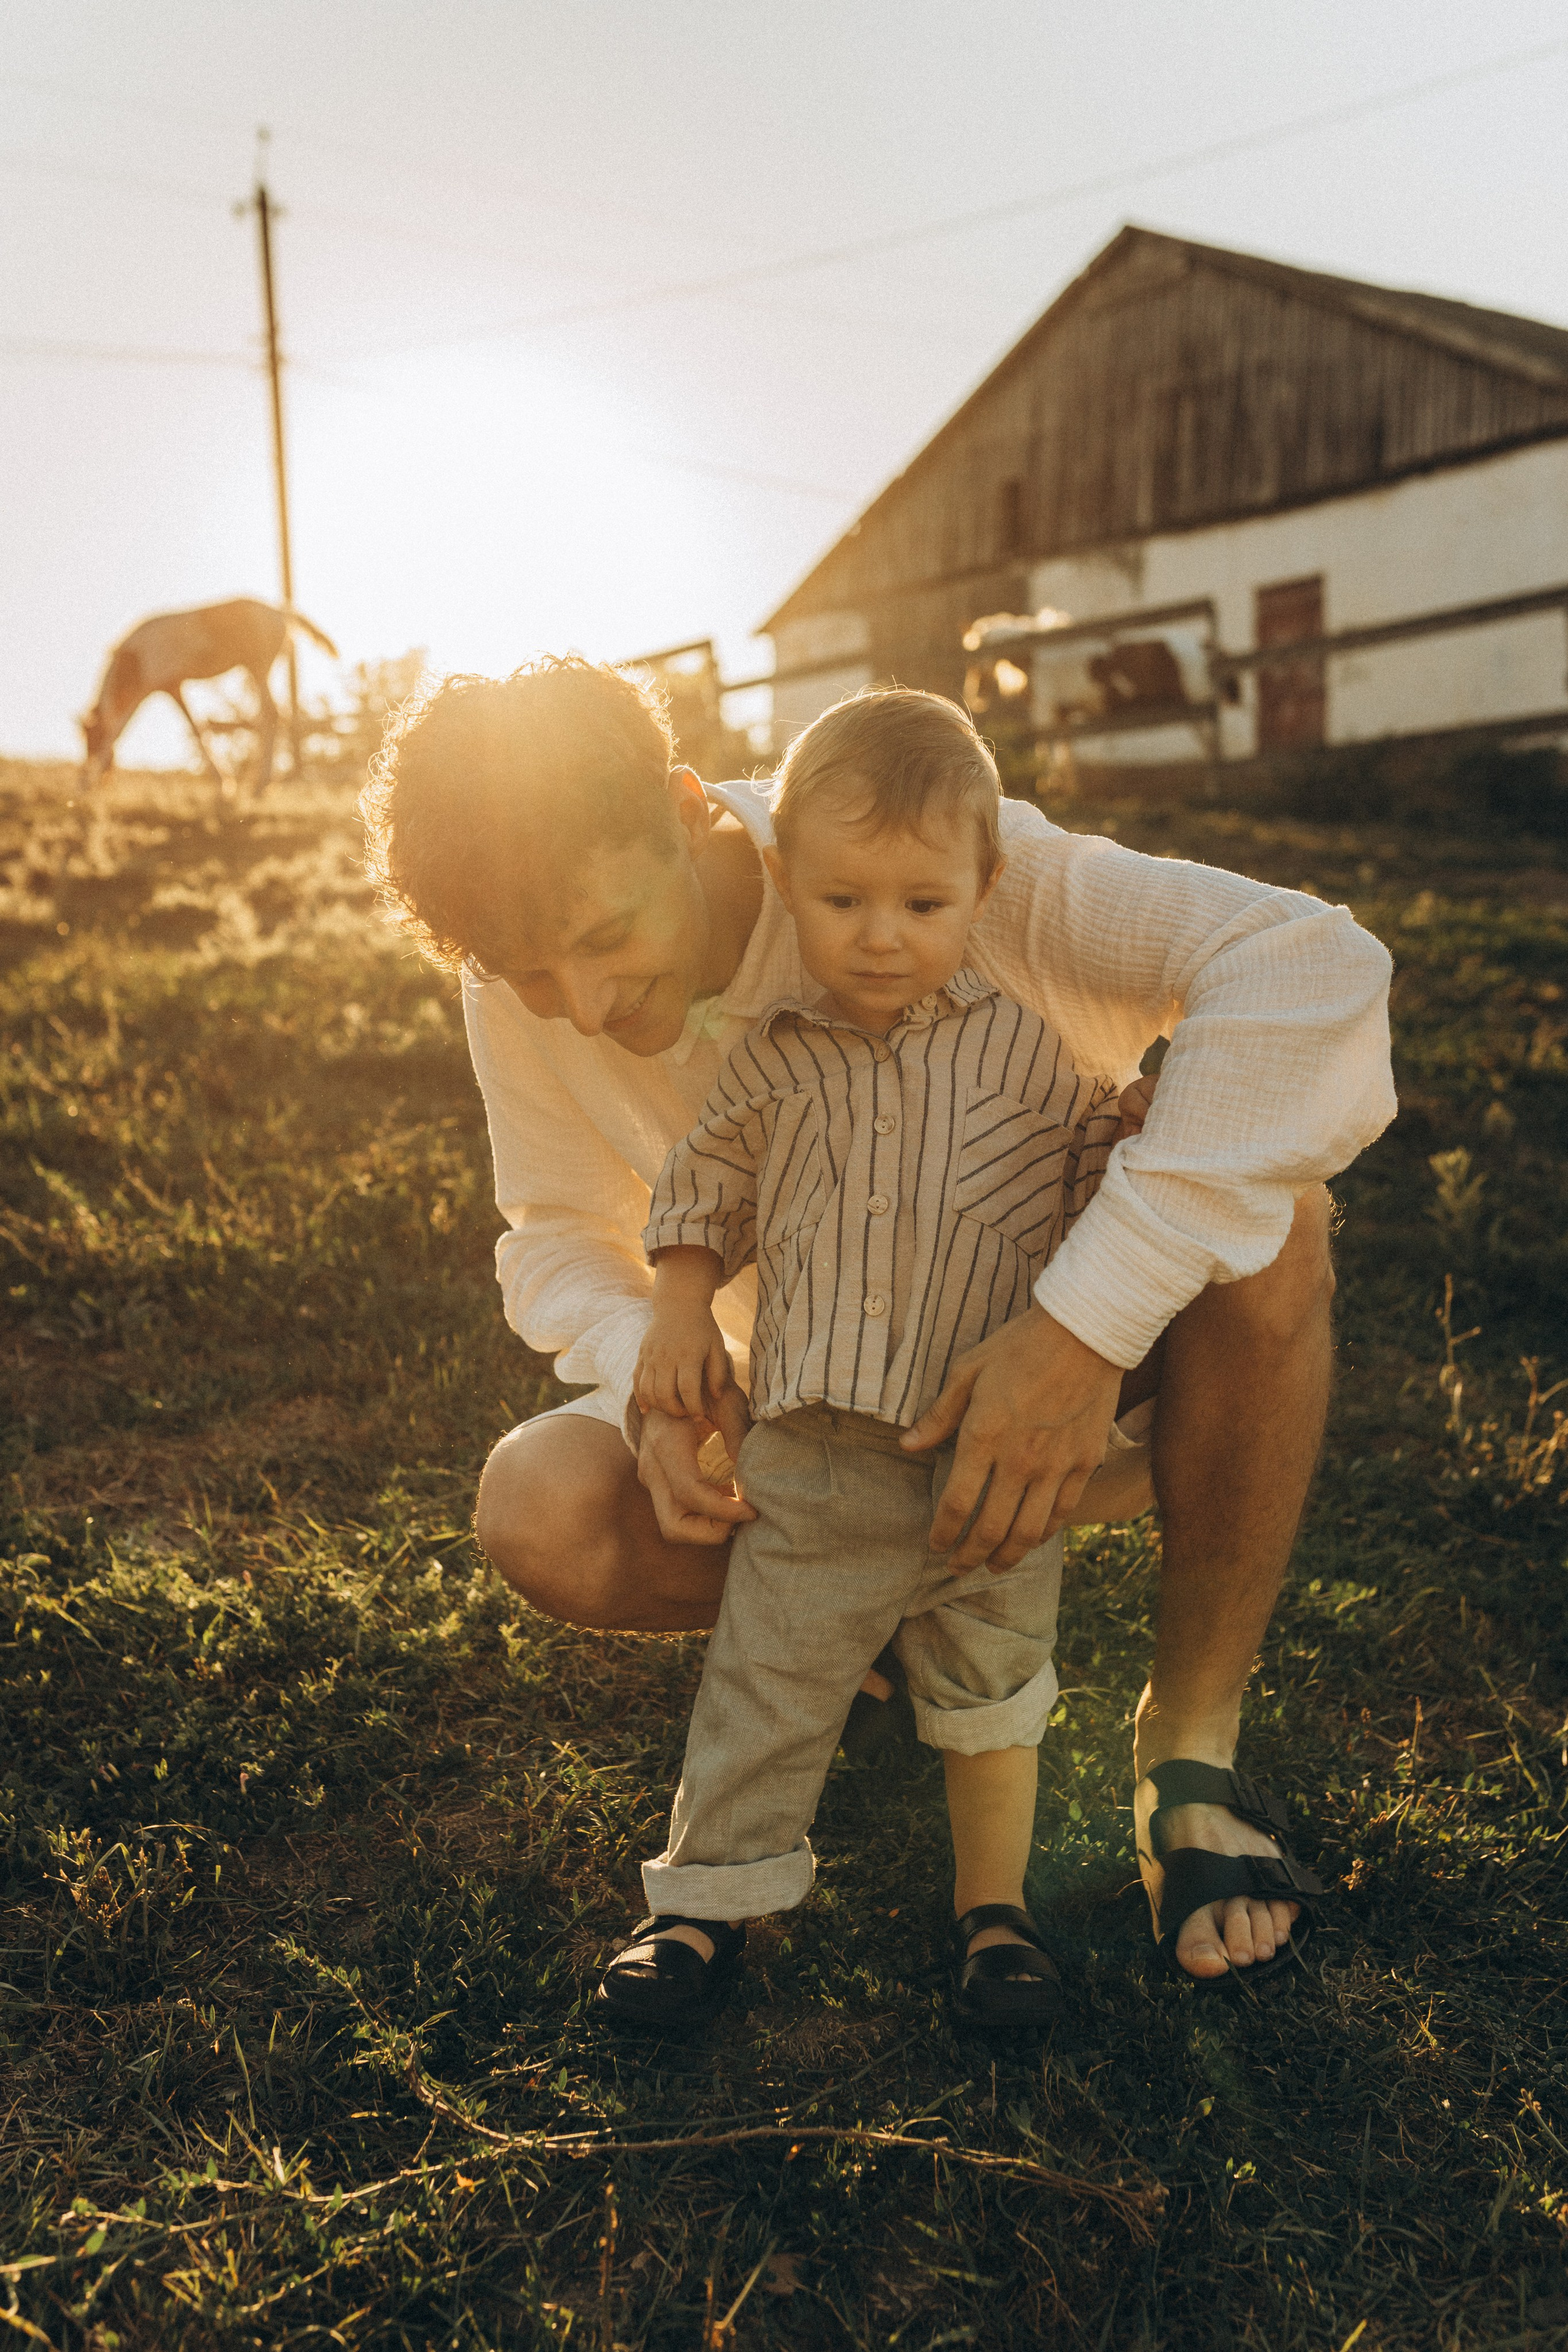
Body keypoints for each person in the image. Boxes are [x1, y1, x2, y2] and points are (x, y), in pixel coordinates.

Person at [360, 656, 1396, 1986]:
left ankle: (1184, 1753)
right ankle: (891, 1637)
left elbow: (1307, 966)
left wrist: (1082, 1329)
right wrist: (657, 1385)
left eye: (609, 937)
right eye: (529, 975)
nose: (587, 1006)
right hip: (817, 1431)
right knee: (539, 1504)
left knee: (1279, 1228)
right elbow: (558, 1233)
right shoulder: (517, 982)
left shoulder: (924, 857)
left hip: (1070, 1397)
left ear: (687, 812)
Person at [597, 692, 1134, 2033]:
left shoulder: (1031, 1050)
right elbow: (701, 1192)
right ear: (784, 881)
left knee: (993, 1693)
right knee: (764, 1678)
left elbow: (1087, 1191)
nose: (880, 936)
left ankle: (993, 1917)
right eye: (841, 902)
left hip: (982, 1467)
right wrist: (674, 1305)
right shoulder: (769, 1055)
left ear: (981, 889)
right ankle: (700, 1912)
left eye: (919, 903)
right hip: (816, 1452)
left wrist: (1129, 1138)